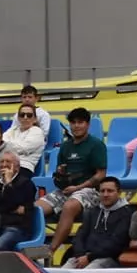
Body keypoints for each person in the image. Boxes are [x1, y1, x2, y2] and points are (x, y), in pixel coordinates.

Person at [40, 109, 108, 256]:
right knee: (36, 208)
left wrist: (78, 187)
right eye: (73, 122)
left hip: (90, 191)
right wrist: (60, 174)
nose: (76, 126)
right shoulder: (65, 146)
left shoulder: (96, 145)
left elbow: (101, 174)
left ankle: (50, 250)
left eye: (80, 122)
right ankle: (34, 245)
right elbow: (58, 177)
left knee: (69, 206)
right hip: (66, 189)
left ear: (87, 125)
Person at [66, 178, 134, 268]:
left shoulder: (126, 213)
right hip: (84, 256)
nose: (105, 194)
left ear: (119, 192)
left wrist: (89, 257)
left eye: (110, 191)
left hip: (110, 258)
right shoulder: (92, 212)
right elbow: (80, 236)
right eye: (102, 191)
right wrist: (80, 255)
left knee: (89, 271)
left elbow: (116, 243)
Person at [0, 149, 36, 251]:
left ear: (17, 167)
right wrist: (11, 209)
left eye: (8, 162)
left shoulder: (26, 184)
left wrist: (8, 183)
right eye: (2, 162)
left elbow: (15, 203)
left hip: (17, 228)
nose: (4, 164)